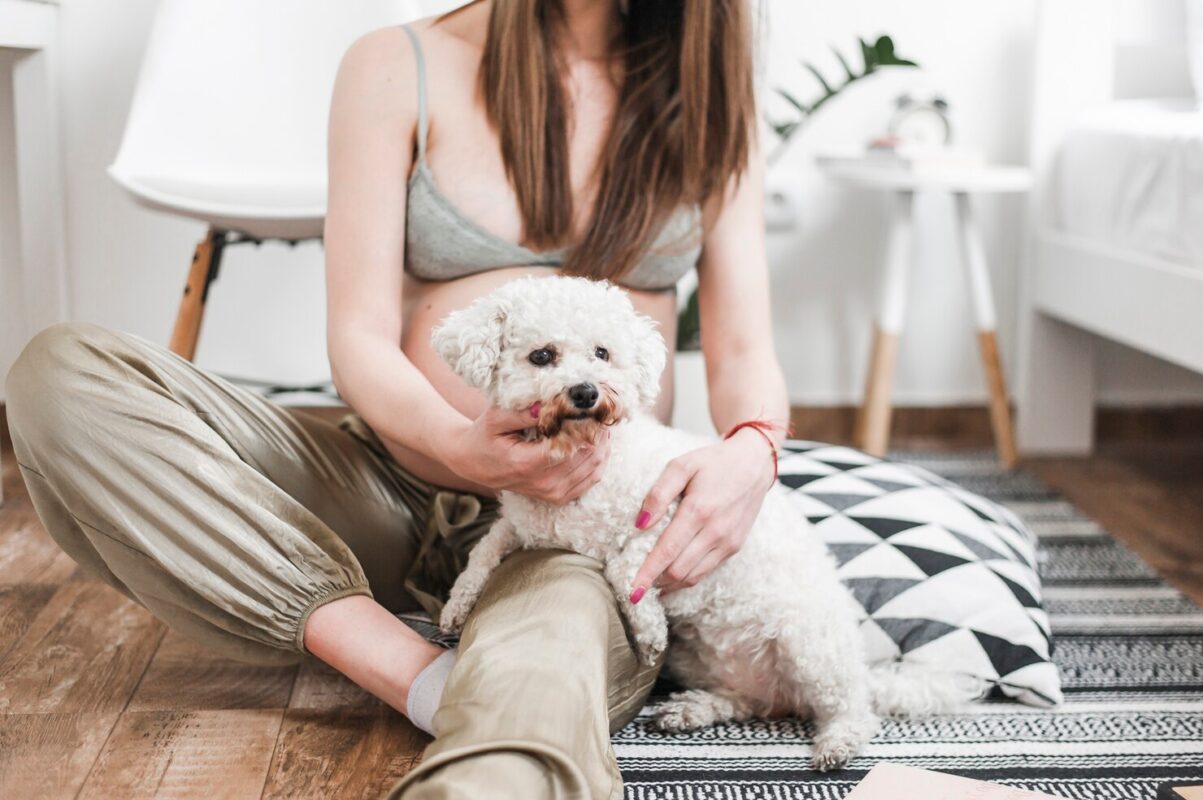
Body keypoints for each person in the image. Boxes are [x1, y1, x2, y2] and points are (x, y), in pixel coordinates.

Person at [4, 0, 788, 797]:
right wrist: (457, 443)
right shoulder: (397, 63)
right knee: (62, 373)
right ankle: (414, 672)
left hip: (575, 530)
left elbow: (741, 349)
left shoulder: (709, 96)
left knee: (546, 654)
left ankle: (489, 741)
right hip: (381, 484)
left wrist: (753, 452)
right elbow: (359, 336)